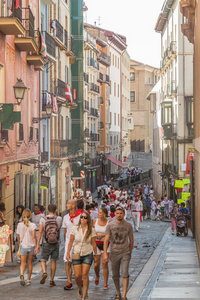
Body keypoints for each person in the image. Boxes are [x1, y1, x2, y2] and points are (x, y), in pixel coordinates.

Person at [66, 211, 98, 300]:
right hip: (76, 253)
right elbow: (71, 241)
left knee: (85, 274)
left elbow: (94, 244)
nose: (83, 219)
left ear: (88, 220)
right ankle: (80, 288)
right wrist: (68, 253)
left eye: (85, 217)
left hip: (87, 253)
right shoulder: (75, 229)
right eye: (81, 217)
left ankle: (85, 293)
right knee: (77, 276)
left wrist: (95, 255)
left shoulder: (91, 230)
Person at [104, 207, 134, 300]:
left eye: (121, 213)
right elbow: (106, 240)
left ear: (124, 214)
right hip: (114, 252)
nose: (119, 215)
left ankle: (124, 295)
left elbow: (131, 240)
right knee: (115, 275)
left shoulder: (128, 226)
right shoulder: (110, 225)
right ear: (115, 214)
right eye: (117, 213)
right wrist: (105, 253)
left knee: (125, 273)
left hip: (125, 252)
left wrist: (130, 251)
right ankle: (118, 292)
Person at [35, 204, 62, 287]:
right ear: (55, 210)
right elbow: (59, 228)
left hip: (46, 242)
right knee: (53, 261)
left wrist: (37, 244)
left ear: (47, 209)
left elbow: (40, 231)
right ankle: (51, 280)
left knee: (43, 259)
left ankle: (44, 272)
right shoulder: (59, 218)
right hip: (56, 242)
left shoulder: (43, 219)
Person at [62, 200, 81, 290]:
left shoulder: (81, 217)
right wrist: (66, 241)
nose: (66, 205)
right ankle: (69, 281)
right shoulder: (65, 217)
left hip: (78, 242)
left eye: (68, 203)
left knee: (78, 262)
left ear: (73, 206)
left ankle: (79, 278)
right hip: (69, 242)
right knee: (68, 261)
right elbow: (66, 231)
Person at [17, 209, 37, 286]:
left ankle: (22, 275)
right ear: (30, 216)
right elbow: (34, 237)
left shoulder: (19, 225)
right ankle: (29, 279)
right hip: (31, 246)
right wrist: (36, 246)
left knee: (22, 263)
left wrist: (19, 244)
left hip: (23, 246)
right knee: (29, 263)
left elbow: (18, 236)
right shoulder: (33, 225)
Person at [93, 208, 110, 289]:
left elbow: (110, 234)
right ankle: (97, 275)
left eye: (100, 213)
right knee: (96, 264)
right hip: (96, 244)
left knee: (104, 264)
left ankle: (105, 283)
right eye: (98, 212)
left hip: (106, 245)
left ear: (104, 214)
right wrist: (95, 236)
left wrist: (102, 235)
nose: (98, 214)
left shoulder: (108, 223)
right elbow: (92, 231)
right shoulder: (95, 221)